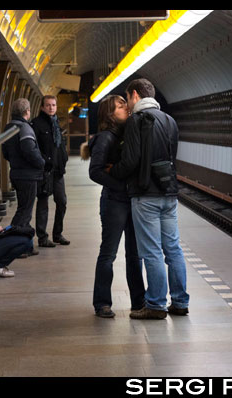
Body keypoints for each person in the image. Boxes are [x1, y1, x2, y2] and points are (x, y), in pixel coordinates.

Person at [108, 78, 190, 320]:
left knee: (152, 251)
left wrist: (114, 171)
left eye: (128, 98)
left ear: (135, 95)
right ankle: (180, 301)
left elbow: (131, 160)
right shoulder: (170, 120)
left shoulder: (136, 120)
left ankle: (155, 304)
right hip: (169, 193)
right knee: (173, 249)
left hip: (146, 196)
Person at [85, 95, 145, 318]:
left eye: (125, 104)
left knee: (135, 254)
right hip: (114, 202)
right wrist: (121, 186)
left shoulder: (125, 133)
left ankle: (139, 301)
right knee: (108, 254)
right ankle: (102, 303)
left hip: (130, 200)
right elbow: (95, 171)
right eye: (120, 107)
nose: (126, 109)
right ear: (110, 115)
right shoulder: (105, 138)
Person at [2, 98, 44, 256]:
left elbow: (5, 152)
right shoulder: (25, 127)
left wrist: (15, 161)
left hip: (16, 172)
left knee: (24, 209)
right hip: (27, 175)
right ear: (27, 112)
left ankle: (25, 245)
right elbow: (29, 149)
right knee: (24, 211)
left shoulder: (8, 127)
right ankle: (14, 245)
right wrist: (41, 163)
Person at [32, 95, 70, 247]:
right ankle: (42, 237)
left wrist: (64, 159)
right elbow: (34, 147)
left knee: (62, 201)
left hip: (58, 171)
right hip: (44, 171)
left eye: (53, 105)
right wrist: (43, 162)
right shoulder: (36, 124)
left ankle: (57, 234)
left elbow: (59, 146)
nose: (51, 108)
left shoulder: (56, 124)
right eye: (48, 105)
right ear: (42, 107)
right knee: (43, 204)